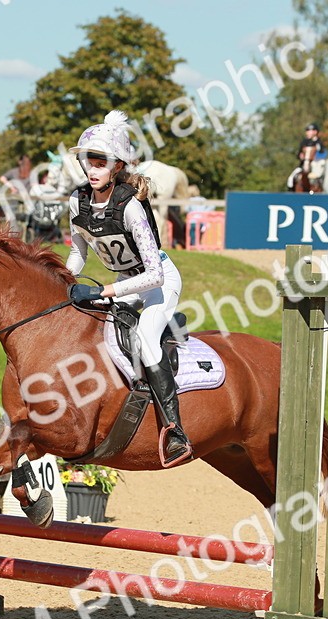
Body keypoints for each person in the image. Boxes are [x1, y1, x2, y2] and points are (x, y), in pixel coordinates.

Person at [65, 110, 193, 467]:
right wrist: (62, 281)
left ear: (117, 166)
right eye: (88, 159)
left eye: (100, 162)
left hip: (158, 282)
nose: (93, 168)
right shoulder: (78, 201)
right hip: (124, 284)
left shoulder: (131, 206)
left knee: (147, 340)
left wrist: (105, 291)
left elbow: (153, 274)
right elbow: (78, 252)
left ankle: (174, 430)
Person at [286, 123, 326, 190]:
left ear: (315, 132)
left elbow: (323, 154)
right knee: (291, 179)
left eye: (309, 130)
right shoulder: (304, 142)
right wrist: (300, 156)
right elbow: (299, 154)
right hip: (303, 166)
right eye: (307, 131)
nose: (307, 132)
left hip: (316, 168)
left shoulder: (319, 142)